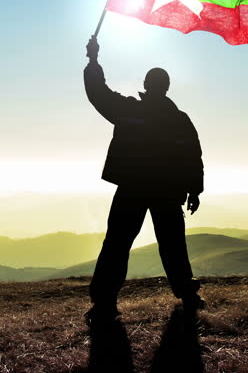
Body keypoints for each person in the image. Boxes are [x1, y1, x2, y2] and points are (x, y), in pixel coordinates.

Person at [83, 36, 205, 324]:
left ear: (147, 85)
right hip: (165, 192)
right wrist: (194, 190)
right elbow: (194, 157)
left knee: (117, 244)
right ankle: (187, 295)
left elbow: (98, 93)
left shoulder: (130, 111)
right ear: (164, 87)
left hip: (133, 188)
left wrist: (92, 60)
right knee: (171, 245)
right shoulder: (179, 119)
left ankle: (104, 303)